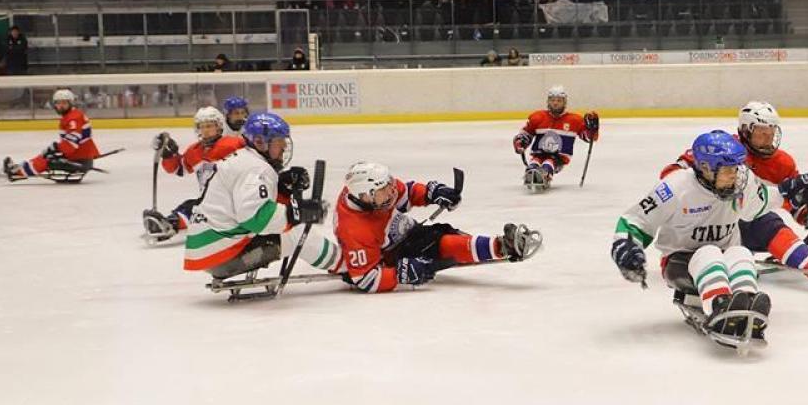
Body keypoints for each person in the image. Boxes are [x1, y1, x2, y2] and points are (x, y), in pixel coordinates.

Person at [610, 131, 808, 349]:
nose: (735, 174)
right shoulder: (675, 187)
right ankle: (719, 307)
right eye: (728, 169)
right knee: (708, 253)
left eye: (737, 167)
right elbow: (636, 220)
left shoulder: (740, 181)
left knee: (741, 253)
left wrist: (791, 191)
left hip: (724, 256)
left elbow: (759, 204)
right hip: (679, 262)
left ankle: (747, 303)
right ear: (707, 168)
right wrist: (627, 246)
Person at [660, 101, 808, 254]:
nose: (767, 138)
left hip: (743, 234)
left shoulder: (782, 163)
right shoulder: (722, 148)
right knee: (760, 217)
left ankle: (803, 257)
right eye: (761, 133)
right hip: (705, 230)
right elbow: (671, 176)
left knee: (760, 215)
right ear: (745, 131)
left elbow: (791, 199)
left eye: (771, 132)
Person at [332, 162, 541, 293]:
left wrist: (433, 192)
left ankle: (497, 245)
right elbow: (365, 278)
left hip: (410, 234)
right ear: (364, 195)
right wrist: (401, 274)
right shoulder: (353, 229)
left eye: (388, 186)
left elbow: (407, 192)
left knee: (441, 234)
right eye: (383, 191)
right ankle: (500, 247)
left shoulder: (376, 191)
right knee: (442, 245)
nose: (390, 193)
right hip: (393, 255)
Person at [182, 112, 340, 279]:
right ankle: (347, 267)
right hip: (222, 257)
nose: (284, 147)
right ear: (260, 142)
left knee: (288, 228)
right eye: (279, 142)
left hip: (211, 250)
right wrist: (297, 214)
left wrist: (283, 189)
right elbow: (255, 219)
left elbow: (253, 204)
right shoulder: (255, 168)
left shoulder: (245, 159)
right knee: (297, 233)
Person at [143, 107, 244, 242]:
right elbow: (179, 169)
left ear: (219, 127)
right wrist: (169, 154)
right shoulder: (195, 150)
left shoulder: (234, 144)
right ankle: (170, 223)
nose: (205, 130)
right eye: (201, 127)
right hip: (209, 200)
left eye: (209, 126)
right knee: (192, 206)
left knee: (198, 209)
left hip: (235, 198)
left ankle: (171, 224)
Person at [2, 89, 101, 182]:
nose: (61, 106)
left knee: (47, 159)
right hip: (80, 156)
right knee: (46, 155)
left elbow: (71, 144)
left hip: (79, 159)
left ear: (71, 103)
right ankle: (20, 168)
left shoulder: (73, 119)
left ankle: (17, 172)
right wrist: (56, 148)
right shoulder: (72, 116)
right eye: (58, 103)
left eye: (64, 103)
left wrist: (56, 148)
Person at [512, 85, 599, 191]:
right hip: (539, 153)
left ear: (564, 102)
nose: (555, 103)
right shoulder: (538, 117)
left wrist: (592, 130)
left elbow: (588, 138)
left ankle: (545, 174)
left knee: (549, 162)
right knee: (534, 162)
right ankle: (532, 172)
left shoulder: (575, 120)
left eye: (559, 100)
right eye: (552, 100)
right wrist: (521, 142)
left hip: (559, 157)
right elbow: (527, 133)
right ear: (548, 101)